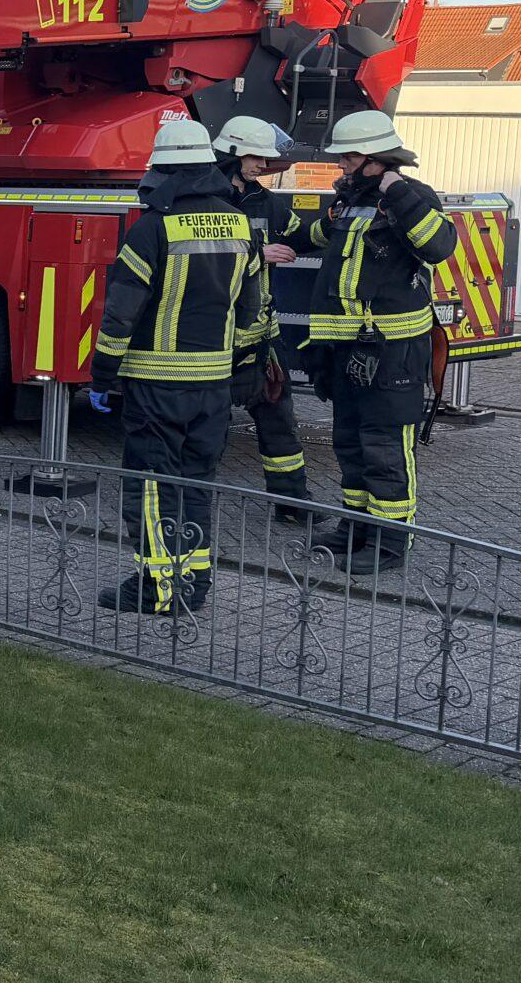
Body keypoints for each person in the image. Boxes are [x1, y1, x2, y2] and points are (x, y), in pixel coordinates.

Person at [87, 119, 268, 614]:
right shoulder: (240, 224)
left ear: (162, 171)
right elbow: (252, 308)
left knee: (152, 486)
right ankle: (195, 582)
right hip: (214, 386)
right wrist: (239, 364)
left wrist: (102, 374)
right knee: (196, 484)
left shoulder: (152, 229)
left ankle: (158, 589)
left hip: (157, 384)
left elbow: (121, 313)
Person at [283, 108, 457, 572]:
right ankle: (356, 526)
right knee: (350, 442)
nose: (342, 165)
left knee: (385, 447)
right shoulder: (350, 200)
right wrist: (277, 240)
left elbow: (438, 247)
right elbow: (317, 235)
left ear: (377, 158)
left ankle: (391, 542)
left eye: (349, 157)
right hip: (349, 350)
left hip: (392, 351)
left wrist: (398, 192)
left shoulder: (413, 197)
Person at [209, 116, 312, 521]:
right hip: (212, 341)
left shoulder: (264, 200)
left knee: (280, 424)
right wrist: (256, 253)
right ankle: (191, 507)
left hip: (260, 340)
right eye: (256, 157)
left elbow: (299, 235)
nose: (263, 165)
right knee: (208, 431)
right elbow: (201, 257)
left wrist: (336, 222)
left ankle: (293, 505)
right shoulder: (204, 199)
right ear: (232, 153)